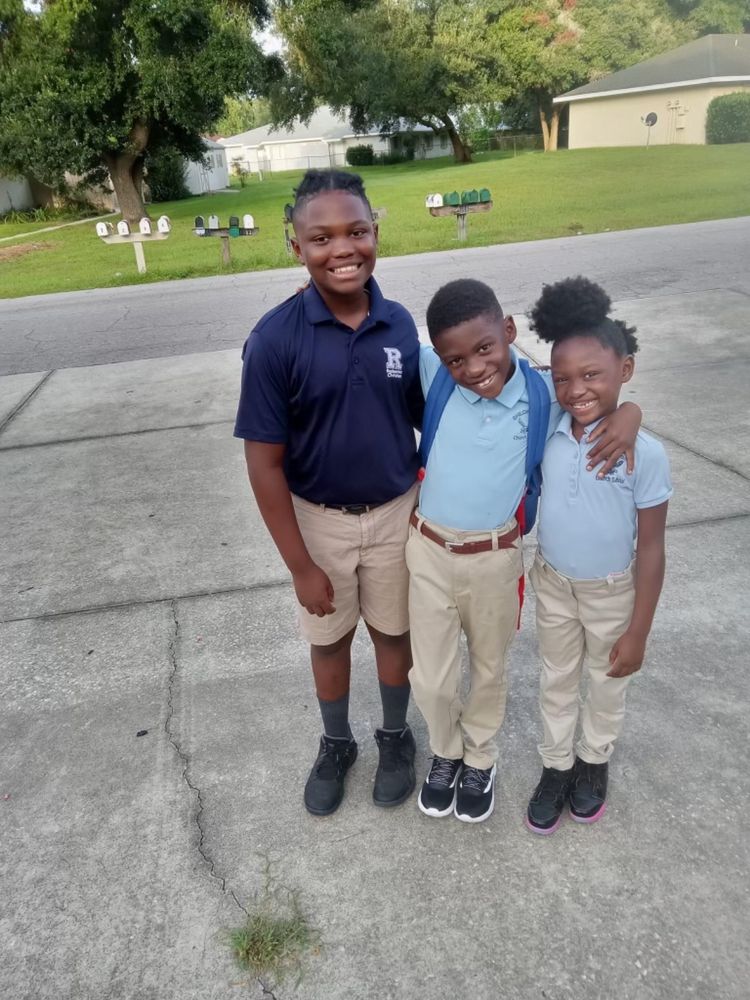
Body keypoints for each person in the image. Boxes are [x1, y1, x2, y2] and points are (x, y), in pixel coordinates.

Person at [408, 278, 643, 824]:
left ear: (509, 331)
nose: (473, 367)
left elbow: (598, 399)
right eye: (457, 359)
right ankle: (445, 751)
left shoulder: (545, 397)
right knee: (432, 677)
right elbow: (380, 334)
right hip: (427, 550)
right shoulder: (431, 369)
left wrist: (632, 412)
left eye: (484, 349)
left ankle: (479, 759)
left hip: (495, 556)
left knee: (489, 666)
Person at [234, 169, 423, 816]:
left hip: (397, 513)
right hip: (319, 522)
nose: (343, 249)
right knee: (330, 639)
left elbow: (429, 414)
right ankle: (337, 742)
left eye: (357, 231)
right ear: (297, 247)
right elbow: (264, 465)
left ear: (376, 234)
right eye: (321, 238)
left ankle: (395, 736)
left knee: (394, 634)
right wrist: (300, 565)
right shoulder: (275, 340)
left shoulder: (399, 326)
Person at [524, 276, 672, 835]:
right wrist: (627, 406)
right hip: (553, 583)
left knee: (607, 681)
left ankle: (593, 761)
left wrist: (639, 631)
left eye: (592, 375)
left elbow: (652, 546)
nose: (575, 389)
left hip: (612, 592)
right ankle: (556, 765)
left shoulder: (645, 453)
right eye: (562, 378)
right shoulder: (549, 433)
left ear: (625, 370)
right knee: (556, 678)